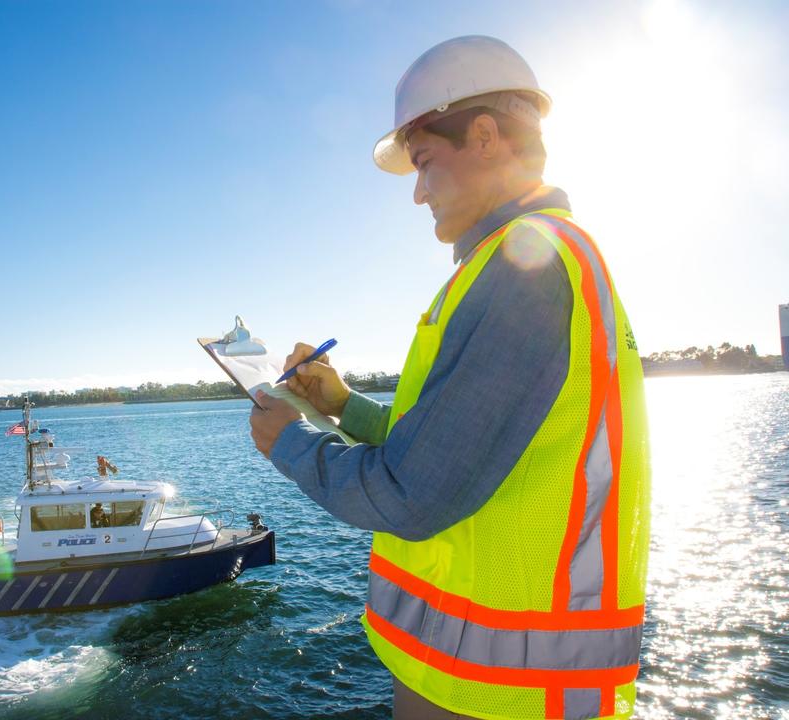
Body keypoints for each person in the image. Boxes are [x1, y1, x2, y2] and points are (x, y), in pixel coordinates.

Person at [249, 35, 651, 720]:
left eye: (425, 162)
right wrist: (341, 403)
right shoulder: (515, 262)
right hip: (489, 684)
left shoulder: (529, 267)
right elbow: (438, 442)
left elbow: (411, 493)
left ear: (487, 137)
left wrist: (288, 442)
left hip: (506, 695)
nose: (417, 192)